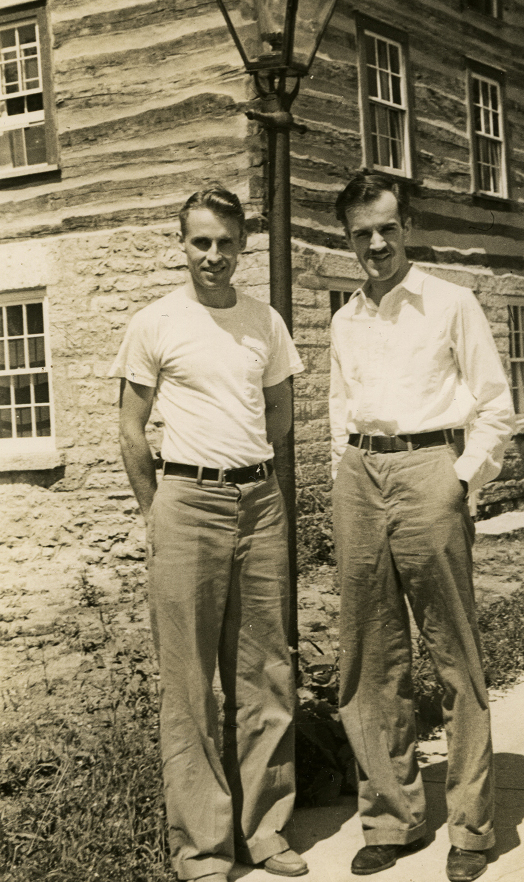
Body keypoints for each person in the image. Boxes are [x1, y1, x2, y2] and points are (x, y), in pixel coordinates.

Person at [109, 186, 307, 882]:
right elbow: (132, 429)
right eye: (200, 242)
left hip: (259, 499)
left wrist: (244, 466)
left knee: (264, 671)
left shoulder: (265, 322)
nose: (213, 256)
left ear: (242, 244)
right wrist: (155, 510)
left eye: (225, 242)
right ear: (182, 244)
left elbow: (279, 412)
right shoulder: (155, 322)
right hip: (184, 501)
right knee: (189, 681)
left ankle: (266, 830)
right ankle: (201, 848)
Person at [329, 172, 514, 882]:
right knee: (369, 657)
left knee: (452, 653)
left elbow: (493, 403)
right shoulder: (346, 317)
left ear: (405, 225)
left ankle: (470, 828)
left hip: (429, 468)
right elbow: (338, 405)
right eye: (360, 233)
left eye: (386, 227)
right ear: (348, 237)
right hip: (358, 475)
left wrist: (462, 479)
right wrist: (341, 468)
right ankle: (392, 818)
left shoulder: (450, 303)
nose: (375, 243)